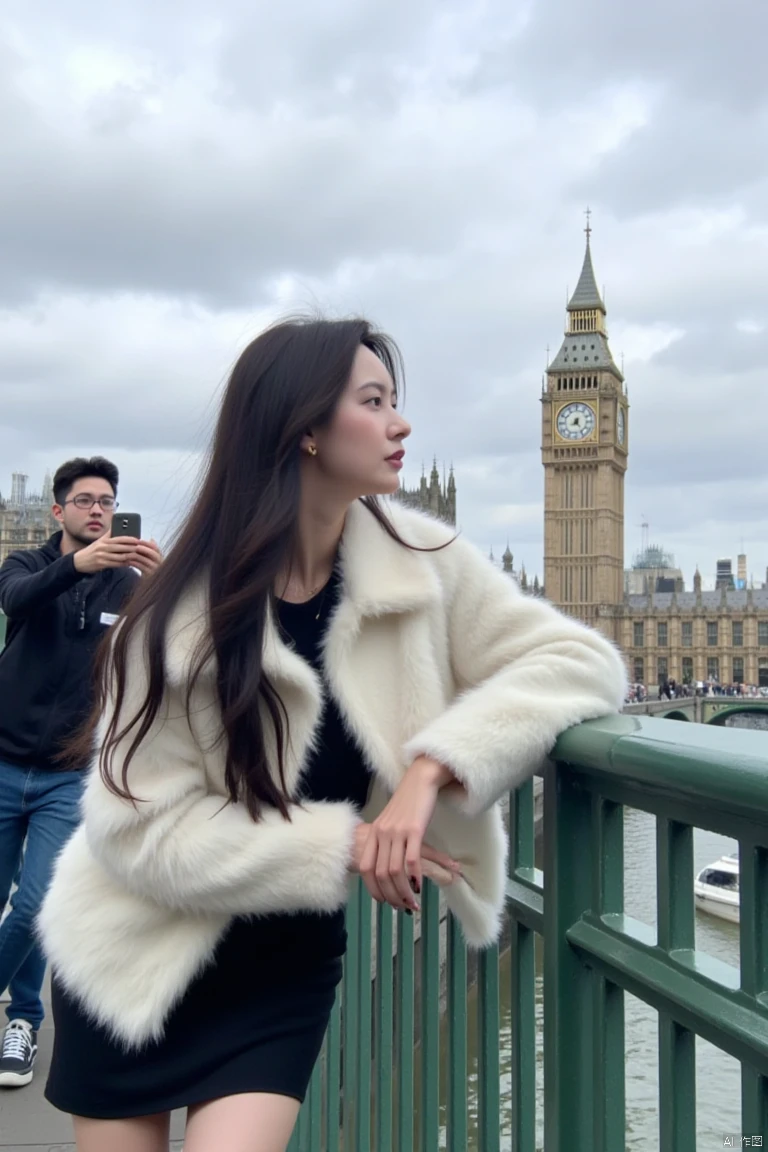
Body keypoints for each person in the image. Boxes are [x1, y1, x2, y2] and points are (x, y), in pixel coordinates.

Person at [39, 319, 626, 1152]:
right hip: (135, 953)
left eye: (397, 401)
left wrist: (433, 770)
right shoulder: (172, 615)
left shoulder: (420, 561)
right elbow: (138, 833)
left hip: (282, 963)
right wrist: (349, 846)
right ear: (305, 430)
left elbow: (579, 660)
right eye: (375, 401)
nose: (402, 424)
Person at [0, 457, 162, 1088]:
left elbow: (179, 645)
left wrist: (164, 579)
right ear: (57, 511)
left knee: (39, 903)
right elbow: (14, 598)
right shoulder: (28, 566)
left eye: (109, 501)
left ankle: (23, 1020)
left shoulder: (128, 587)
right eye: (87, 500)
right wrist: (76, 565)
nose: (99, 510)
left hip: (70, 774)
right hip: (5, 761)